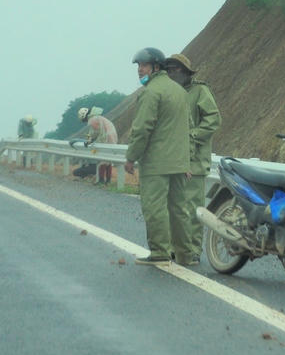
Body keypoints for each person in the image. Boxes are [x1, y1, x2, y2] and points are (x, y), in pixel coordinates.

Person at [124, 47, 193, 266]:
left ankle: (160, 252)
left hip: (156, 162)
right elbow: (187, 128)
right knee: (179, 210)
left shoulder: (151, 92)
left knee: (155, 208)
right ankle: (185, 254)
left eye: (143, 65)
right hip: (179, 162)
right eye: (138, 66)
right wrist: (187, 160)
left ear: (155, 67)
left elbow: (143, 128)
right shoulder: (180, 91)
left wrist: (131, 157)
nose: (139, 70)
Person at [165, 53, 221, 260]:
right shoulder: (169, 94)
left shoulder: (200, 91)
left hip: (195, 161)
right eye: (168, 69)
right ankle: (175, 247)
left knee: (193, 208)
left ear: (186, 72)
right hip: (173, 160)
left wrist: (192, 136)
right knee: (174, 208)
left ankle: (193, 250)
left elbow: (213, 120)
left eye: (176, 69)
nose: (172, 73)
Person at [77, 106, 118, 184]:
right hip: (112, 137)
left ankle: (101, 180)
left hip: (106, 138)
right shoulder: (98, 117)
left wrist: (89, 141)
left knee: (102, 160)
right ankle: (108, 180)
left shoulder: (92, 120)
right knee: (108, 160)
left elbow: (94, 132)